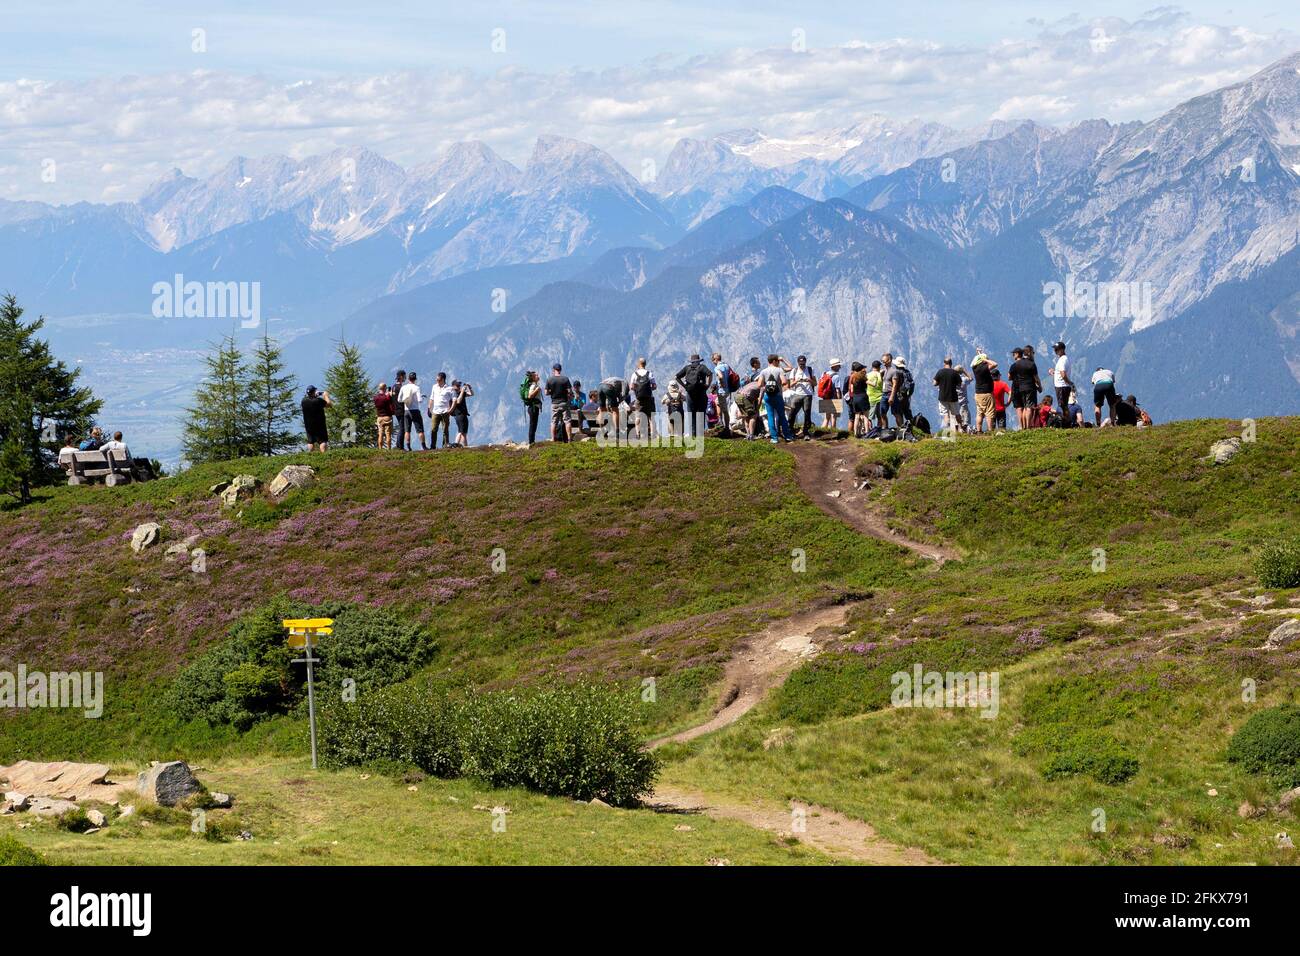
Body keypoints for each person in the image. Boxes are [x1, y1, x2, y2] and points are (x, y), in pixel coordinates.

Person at [759, 354, 795, 444]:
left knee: (770, 416)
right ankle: (787, 436)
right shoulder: (779, 370)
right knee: (782, 416)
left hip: (767, 396)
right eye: (777, 361)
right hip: (777, 396)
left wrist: (767, 385)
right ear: (775, 361)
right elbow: (784, 382)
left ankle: (774, 438)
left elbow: (759, 384)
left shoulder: (763, 371)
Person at [675, 353, 713, 438]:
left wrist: (685, 387)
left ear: (691, 361)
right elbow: (710, 374)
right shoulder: (702, 367)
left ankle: (693, 435)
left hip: (690, 394)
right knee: (701, 413)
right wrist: (707, 385)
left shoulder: (687, 368)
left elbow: (677, 377)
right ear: (699, 361)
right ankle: (700, 435)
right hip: (701, 393)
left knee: (691, 414)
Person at [1008, 348, 1040, 430]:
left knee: (1020, 408)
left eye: (1014, 354)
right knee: (1027, 407)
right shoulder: (1030, 364)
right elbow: (1036, 377)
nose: (1013, 355)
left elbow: (1009, 377)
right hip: (1029, 386)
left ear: (1018, 354)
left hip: (1018, 387)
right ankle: (1027, 426)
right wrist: (1039, 386)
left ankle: (1022, 427)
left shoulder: (1015, 365)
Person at [785, 355, 816, 440]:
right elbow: (790, 385)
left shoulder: (810, 369)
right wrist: (797, 381)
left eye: (803, 364)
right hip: (797, 394)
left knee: (807, 413)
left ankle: (806, 432)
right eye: (800, 364)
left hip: (808, 395)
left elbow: (815, 383)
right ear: (798, 363)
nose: (802, 365)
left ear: (805, 362)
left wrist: (809, 380)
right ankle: (790, 430)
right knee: (792, 413)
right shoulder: (794, 371)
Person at [970, 350, 998, 434]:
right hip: (986, 393)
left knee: (980, 413)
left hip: (978, 393)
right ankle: (990, 431)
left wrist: (980, 354)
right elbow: (994, 364)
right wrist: (985, 359)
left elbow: (979, 360)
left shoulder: (975, 368)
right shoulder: (984, 368)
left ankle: (979, 431)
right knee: (989, 412)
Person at [933, 358, 963, 434]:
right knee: (957, 413)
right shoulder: (954, 373)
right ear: (951, 363)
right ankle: (960, 428)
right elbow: (960, 384)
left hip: (943, 397)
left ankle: (948, 430)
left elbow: (934, 383)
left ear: (944, 363)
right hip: (953, 396)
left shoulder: (940, 372)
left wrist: (939, 383)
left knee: (946, 414)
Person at [629, 358, 656, 440]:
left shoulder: (634, 374)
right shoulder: (649, 373)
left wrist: (637, 390)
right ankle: (652, 434)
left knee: (638, 417)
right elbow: (654, 386)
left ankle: (637, 434)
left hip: (639, 399)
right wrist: (648, 390)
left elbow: (631, 387)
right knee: (651, 417)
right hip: (649, 398)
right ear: (645, 364)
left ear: (638, 364)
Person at [544, 363, 572, 443]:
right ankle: (569, 438)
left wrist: (552, 392)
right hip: (564, 402)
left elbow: (546, 393)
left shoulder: (549, 379)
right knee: (567, 420)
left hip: (554, 403)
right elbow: (570, 391)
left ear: (554, 370)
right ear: (560, 370)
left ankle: (553, 439)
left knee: (553, 421)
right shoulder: (565, 379)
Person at [398, 372, 426, 450]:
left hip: (406, 411)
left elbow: (399, 399)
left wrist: (405, 400)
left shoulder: (403, 387)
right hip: (415, 410)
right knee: (420, 430)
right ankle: (424, 446)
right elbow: (420, 400)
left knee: (407, 430)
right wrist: (421, 397)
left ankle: (408, 447)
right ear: (415, 379)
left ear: (408, 379)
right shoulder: (416, 387)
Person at [301, 385, 333, 452]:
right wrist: (325, 395)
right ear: (314, 392)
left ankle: (310, 455)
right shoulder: (318, 401)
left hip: (308, 425)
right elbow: (329, 404)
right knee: (322, 441)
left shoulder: (303, 401)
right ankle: (323, 455)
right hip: (319, 424)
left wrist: (315, 396)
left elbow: (311, 400)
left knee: (311, 441)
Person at [711, 352, 735, 435]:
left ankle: (724, 427)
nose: (713, 362)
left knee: (723, 409)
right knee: (726, 409)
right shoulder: (726, 366)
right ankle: (726, 426)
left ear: (715, 360)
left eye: (713, 360)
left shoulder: (717, 368)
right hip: (728, 391)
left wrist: (721, 383)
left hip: (721, 391)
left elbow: (720, 376)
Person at [845, 361, 870, 437]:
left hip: (854, 398)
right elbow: (870, 384)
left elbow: (850, 389)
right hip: (862, 397)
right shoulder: (862, 377)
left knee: (855, 417)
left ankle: (855, 433)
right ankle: (866, 432)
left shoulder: (850, 377)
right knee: (866, 417)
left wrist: (849, 399)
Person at [818, 359, 843, 430]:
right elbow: (837, 389)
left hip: (825, 397)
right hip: (834, 398)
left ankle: (821, 432)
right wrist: (839, 400)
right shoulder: (836, 376)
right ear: (835, 366)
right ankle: (833, 432)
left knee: (826, 418)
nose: (840, 367)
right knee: (834, 417)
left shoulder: (824, 374)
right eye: (838, 366)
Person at [1051, 341, 1074, 413]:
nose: (1055, 351)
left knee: (1062, 406)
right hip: (1063, 385)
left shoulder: (1062, 360)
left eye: (1057, 349)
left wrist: (1069, 382)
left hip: (1061, 386)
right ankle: (1067, 421)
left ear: (1062, 350)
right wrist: (1054, 372)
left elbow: (1063, 374)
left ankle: (1066, 421)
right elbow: (1061, 372)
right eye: (1055, 349)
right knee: (1063, 405)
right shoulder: (1063, 359)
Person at [450, 379, 473, 447]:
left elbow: (471, 394)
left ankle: (461, 445)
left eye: (459, 385)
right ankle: (457, 444)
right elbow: (458, 401)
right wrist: (462, 391)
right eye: (457, 385)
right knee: (461, 432)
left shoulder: (460, 393)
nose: (459, 386)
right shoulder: (454, 393)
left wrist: (469, 388)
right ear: (453, 386)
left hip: (463, 414)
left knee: (463, 432)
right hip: (459, 414)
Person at [373, 382, 396, 448]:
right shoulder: (387, 397)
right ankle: (388, 449)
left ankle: (380, 449)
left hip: (379, 417)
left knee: (380, 433)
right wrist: (390, 395)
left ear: (379, 388)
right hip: (387, 417)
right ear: (385, 388)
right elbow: (391, 404)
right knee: (388, 433)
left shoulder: (375, 398)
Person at [523, 370, 542, 445]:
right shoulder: (534, 385)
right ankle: (531, 442)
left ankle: (532, 441)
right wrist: (537, 390)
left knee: (534, 425)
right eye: (537, 375)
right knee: (532, 425)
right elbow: (529, 396)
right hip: (533, 408)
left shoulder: (534, 384)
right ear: (534, 378)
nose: (538, 376)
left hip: (534, 407)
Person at [866, 360, 886, 433]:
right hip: (880, 397)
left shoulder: (867, 375)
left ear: (872, 366)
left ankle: (869, 431)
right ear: (879, 367)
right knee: (880, 416)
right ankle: (879, 431)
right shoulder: (880, 375)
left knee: (869, 417)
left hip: (870, 397)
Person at [392, 370, 408, 450]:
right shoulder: (401, 388)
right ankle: (400, 447)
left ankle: (398, 445)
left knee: (401, 428)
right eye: (404, 376)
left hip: (396, 410)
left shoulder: (393, 387)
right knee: (403, 429)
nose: (405, 378)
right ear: (401, 377)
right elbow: (405, 399)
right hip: (401, 410)